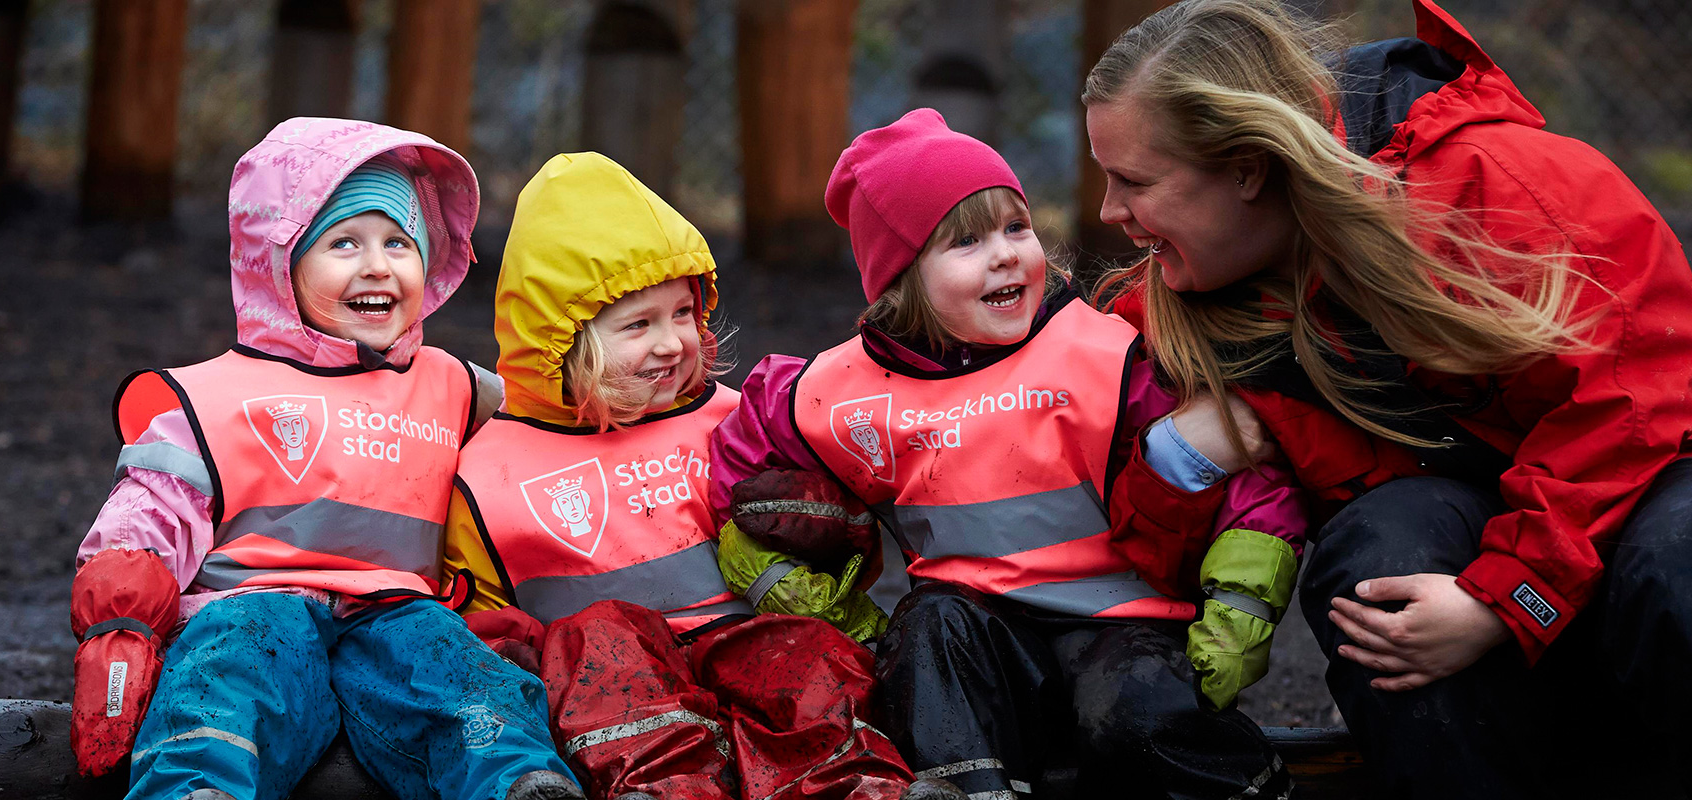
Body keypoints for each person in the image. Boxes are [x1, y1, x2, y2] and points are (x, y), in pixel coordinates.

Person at [1082, 2, 1692, 798]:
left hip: (1672, 457)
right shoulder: (1178, 307)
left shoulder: (1495, 182)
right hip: (1482, 505)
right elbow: (1138, 556)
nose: (1110, 213)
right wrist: (1180, 457)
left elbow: (1636, 390)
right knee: (1380, 570)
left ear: (1248, 168)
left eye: (1134, 181)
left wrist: (1507, 597)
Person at [709, 108, 1307, 800]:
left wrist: (1242, 600)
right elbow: (748, 455)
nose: (1004, 254)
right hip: (975, 632)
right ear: (901, 277)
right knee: (923, 637)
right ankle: (964, 791)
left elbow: (1246, 463)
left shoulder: (1105, 352)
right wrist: (769, 567)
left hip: (1123, 626)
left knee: (1137, 714)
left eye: (1016, 226)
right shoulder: (842, 392)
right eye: (965, 242)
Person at [70, 118, 580, 800]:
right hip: (251, 603)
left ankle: (519, 781)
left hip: (399, 614)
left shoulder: (457, 388)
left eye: (400, 242)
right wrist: (120, 629)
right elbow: (146, 518)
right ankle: (197, 787)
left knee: (462, 674)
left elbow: (547, 440)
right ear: (278, 261)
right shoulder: (209, 398)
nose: (378, 265)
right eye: (344, 242)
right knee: (224, 672)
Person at [442, 152, 937, 800]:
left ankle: (858, 786)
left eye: (683, 313)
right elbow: (483, 625)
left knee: (808, 657)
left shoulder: (736, 421)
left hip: (745, 641)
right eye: (640, 325)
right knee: (599, 637)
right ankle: (665, 791)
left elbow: (832, 555)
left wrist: (826, 532)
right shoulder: (490, 471)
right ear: (564, 342)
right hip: (617, 695)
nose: (674, 342)